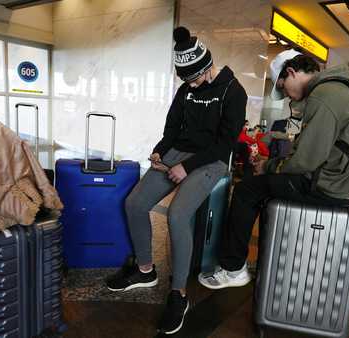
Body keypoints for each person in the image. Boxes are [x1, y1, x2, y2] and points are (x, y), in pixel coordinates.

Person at [105, 26, 248, 334]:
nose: (191, 85)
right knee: (134, 203)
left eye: (195, 78)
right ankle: (145, 270)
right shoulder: (186, 90)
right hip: (178, 152)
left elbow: (225, 143)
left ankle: (178, 294)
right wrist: (160, 152)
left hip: (212, 159)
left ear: (208, 67)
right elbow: (172, 128)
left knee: (178, 214)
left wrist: (187, 167)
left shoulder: (233, 91)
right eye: (186, 80)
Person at [198, 50, 349, 289]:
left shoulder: (324, 96)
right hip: (342, 180)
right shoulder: (340, 88)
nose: (286, 95)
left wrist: (267, 166)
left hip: (328, 184)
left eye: (284, 88)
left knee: (246, 190)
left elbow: (306, 160)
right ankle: (266, 262)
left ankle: (233, 269)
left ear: (291, 72)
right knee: (268, 190)